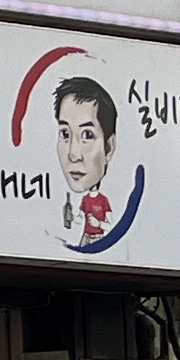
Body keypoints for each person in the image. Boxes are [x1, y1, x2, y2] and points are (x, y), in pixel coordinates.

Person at [53, 74, 121, 251]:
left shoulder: (104, 200)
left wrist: (97, 223)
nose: (73, 155)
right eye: (65, 134)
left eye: (87, 135)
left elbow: (110, 224)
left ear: (108, 147)